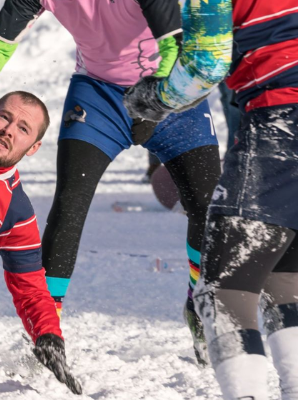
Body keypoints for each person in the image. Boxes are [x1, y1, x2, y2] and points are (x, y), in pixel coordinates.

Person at [0, 0, 222, 365]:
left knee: (210, 210)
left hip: (171, 89)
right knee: (69, 207)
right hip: (98, 95)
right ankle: (45, 330)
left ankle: (199, 301)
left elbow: (174, 45)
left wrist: (158, 104)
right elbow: (1, 40)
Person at [127, 0, 298, 398]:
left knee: (222, 290)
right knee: (282, 276)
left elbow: (206, 64)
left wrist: (155, 98)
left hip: (281, 121)